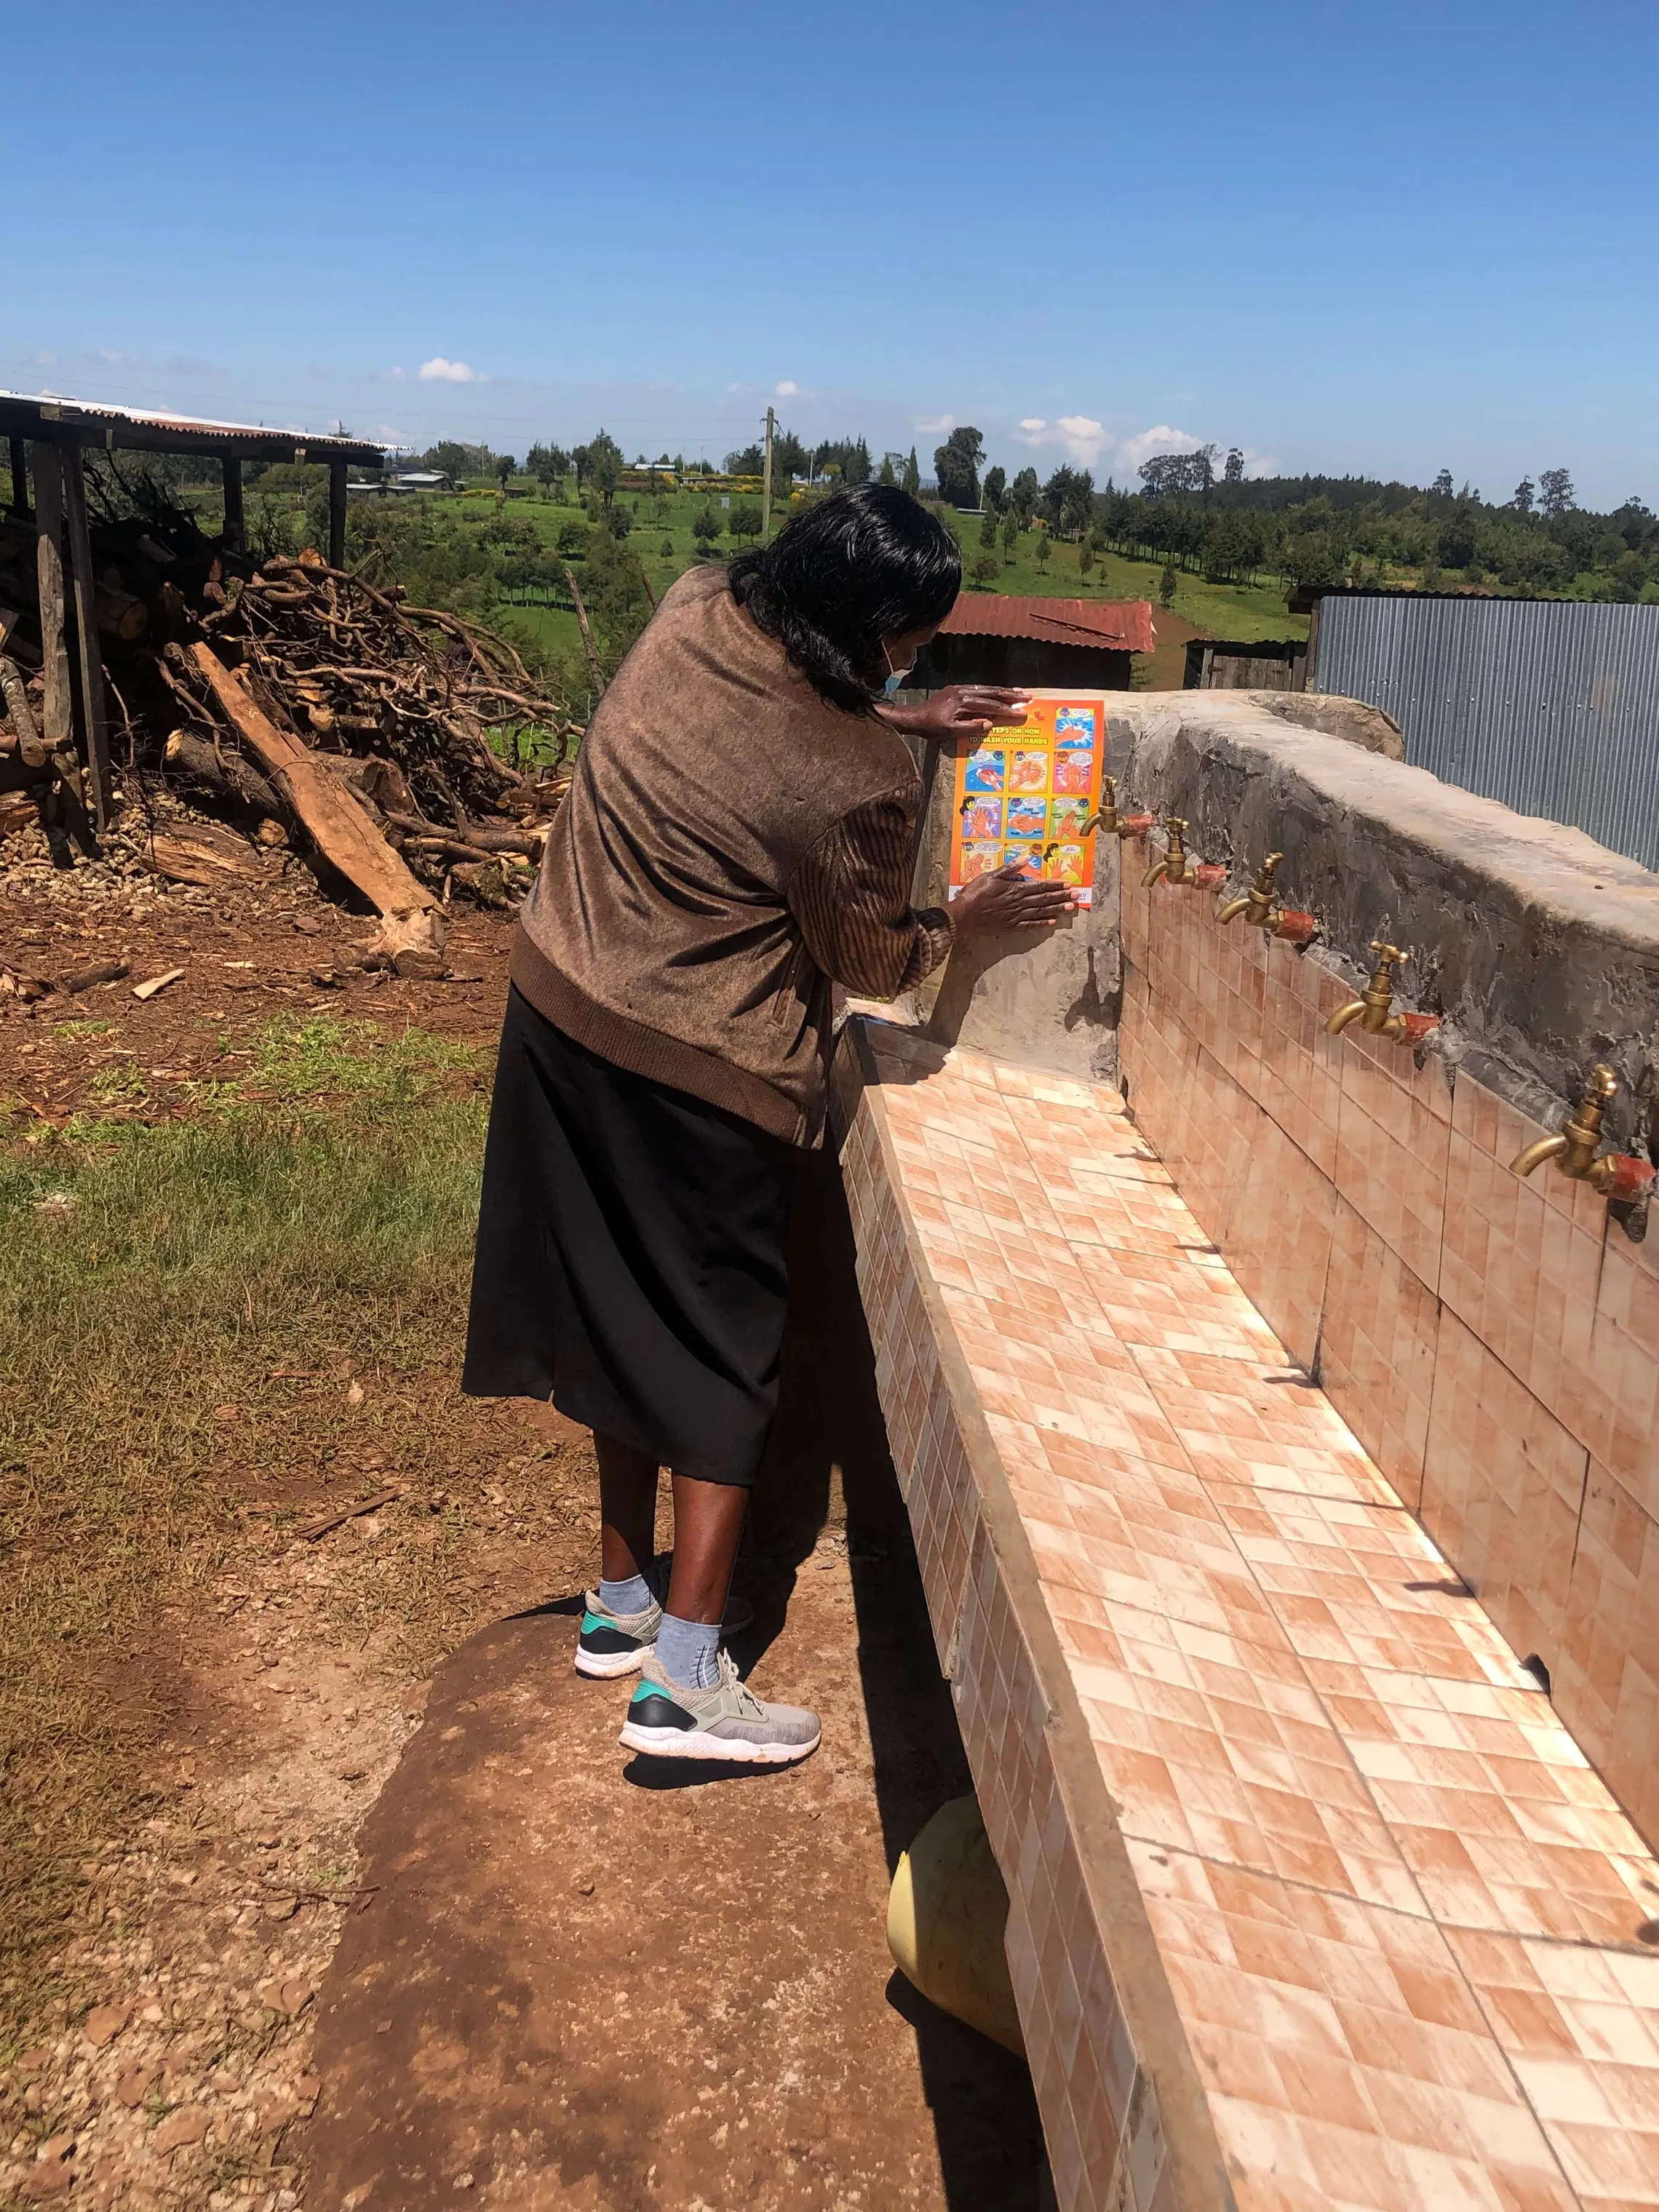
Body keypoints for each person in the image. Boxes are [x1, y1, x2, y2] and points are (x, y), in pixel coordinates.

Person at [463, 485, 1076, 1766]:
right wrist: (960, 922)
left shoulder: (696, 608)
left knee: (610, 1317)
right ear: (870, 625)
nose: (913, 664)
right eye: (908, 642)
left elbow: (765, 728)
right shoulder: (854, 776)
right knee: (721, 1352)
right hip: (692, 1070)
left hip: (559, 1005)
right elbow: (868, 952)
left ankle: (621, 1603)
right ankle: (685, 1679)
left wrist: (901, 716)